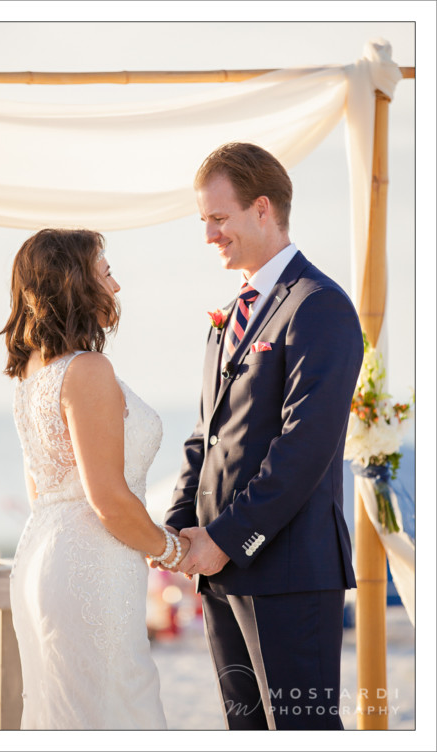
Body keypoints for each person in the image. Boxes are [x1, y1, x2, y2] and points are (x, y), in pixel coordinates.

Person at [162, 142, 364, 730]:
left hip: (291, 575)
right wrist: (178, 530)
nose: (208, 236)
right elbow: (206, 437)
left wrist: (224, 537)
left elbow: (305, 445)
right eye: (204, 221)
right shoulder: (228, 315)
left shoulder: (320, 306)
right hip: (218, 573)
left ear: (262, 209)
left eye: (218, 219)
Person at [0, 228, 190, 730]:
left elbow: (40, 491)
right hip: (92, 565)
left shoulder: (32, 373)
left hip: (42, 556)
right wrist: (172, 551)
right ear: (75, 284)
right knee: (119, 708)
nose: (116, 287)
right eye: (105, 274)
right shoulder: (88, 369)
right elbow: (107, 498)